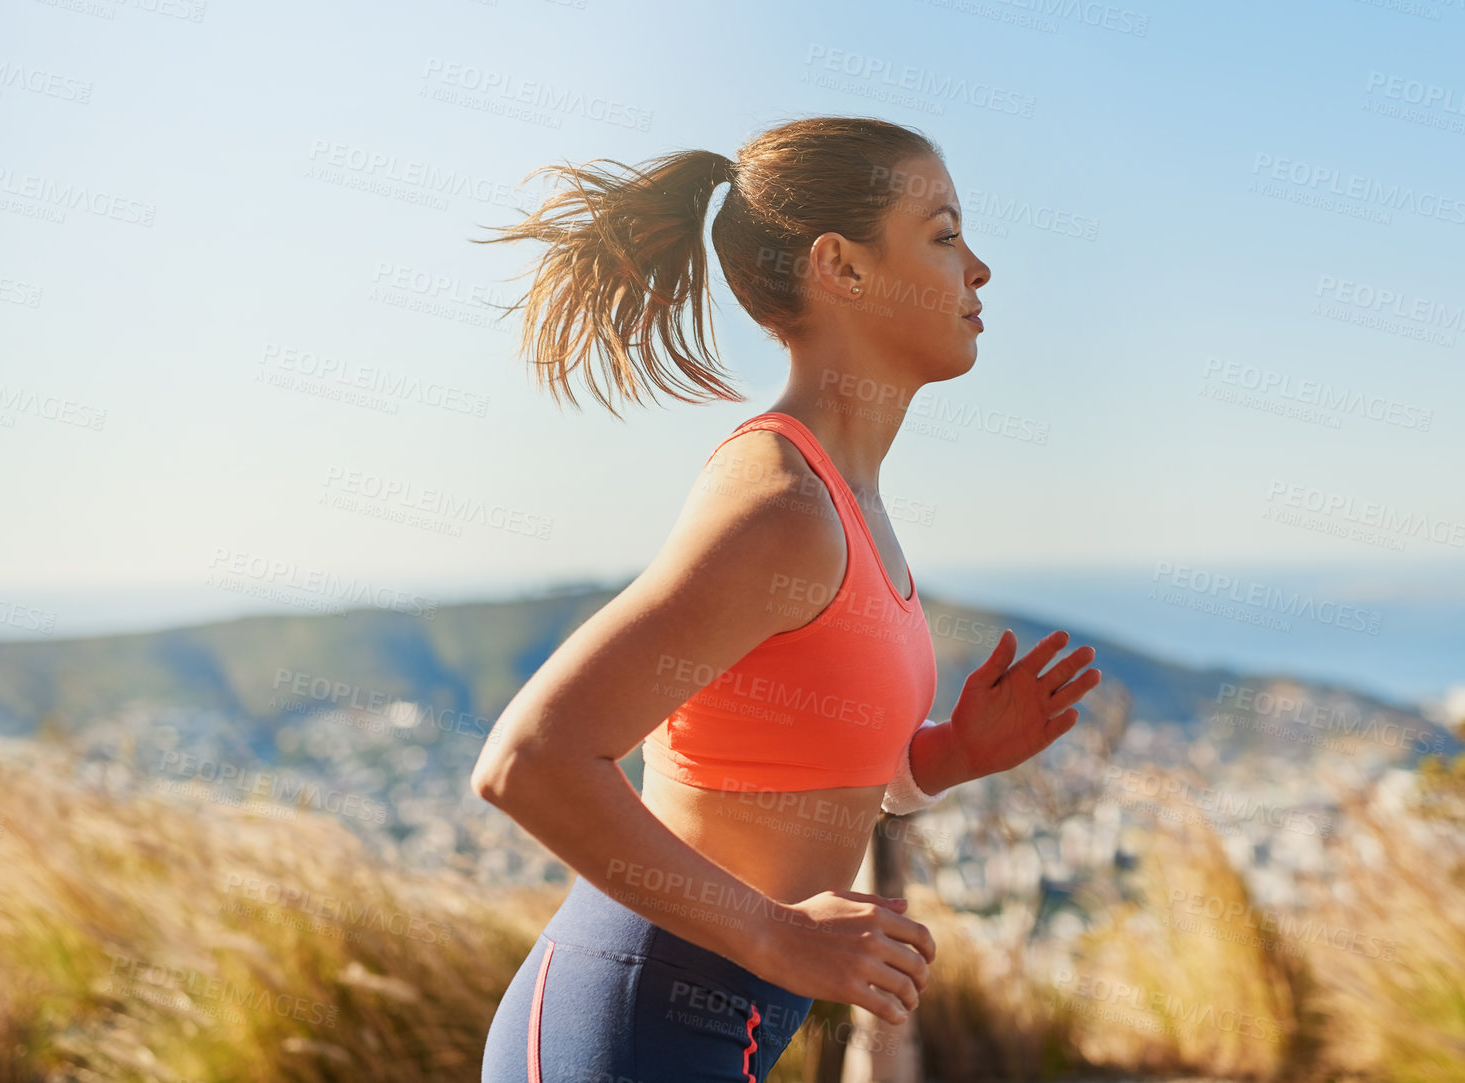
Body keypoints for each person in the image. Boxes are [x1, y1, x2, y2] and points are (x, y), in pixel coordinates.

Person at [469, 115, 1102, 1082]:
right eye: (943, 234)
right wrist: (777, 938)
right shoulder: (781, 508)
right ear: (841, 268)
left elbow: (789, 763)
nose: (979, 270)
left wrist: (941, 757)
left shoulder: (851, 503)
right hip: (631, 1016)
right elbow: (530, 759)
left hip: (725, 1020)